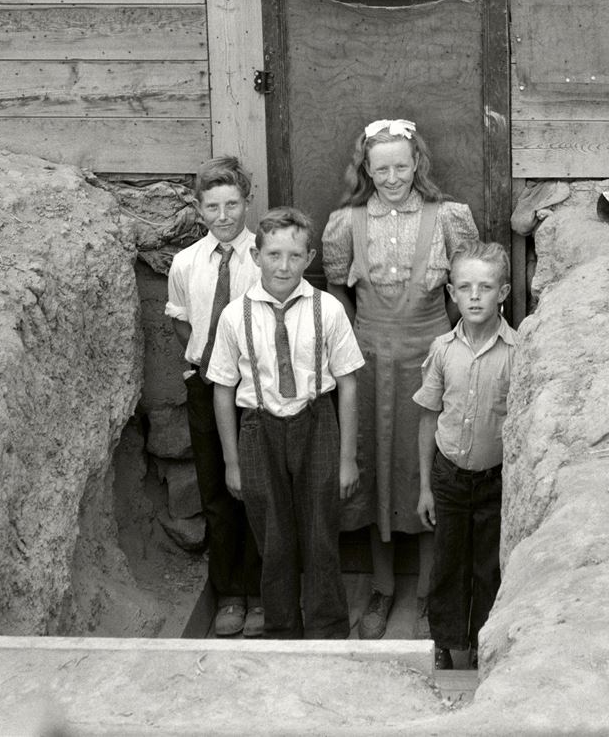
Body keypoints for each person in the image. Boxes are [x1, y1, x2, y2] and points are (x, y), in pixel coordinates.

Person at [322, 118, 481, 639]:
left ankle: (430, 593)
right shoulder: (346, 222)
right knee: (374, 464)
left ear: (418, 165)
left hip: (432, 354)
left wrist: (447, 343)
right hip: (369, 360)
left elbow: (468, 285)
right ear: (365, 168)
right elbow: (336, 291)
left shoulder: (449, 218)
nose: (392, 177)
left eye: (401, 165)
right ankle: (383, 588)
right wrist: (364, 330)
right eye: (380, 167)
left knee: (429, 465)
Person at [207, 207, 364, 642]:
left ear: (310, 256)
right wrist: (231, 463)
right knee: (273, 542)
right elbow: (222, 390)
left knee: (320, 537)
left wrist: (347, 460)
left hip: (316, 424)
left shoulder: (328, 309)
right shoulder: (234, 316)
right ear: (256, 256)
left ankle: (327, 631)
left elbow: (348, 385)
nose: (283, 265)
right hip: (258, 429)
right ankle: (281, 631)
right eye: (273, 254)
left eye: (295, 255)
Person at [163, 156, 262, 637]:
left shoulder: (265, 257)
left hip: (257, 391)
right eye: (213, 207)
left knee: (261, 491)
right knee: (220, 493)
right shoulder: (186, 263)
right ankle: (229, 594)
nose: (224, 215)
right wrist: (203, 358)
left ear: (247, 203)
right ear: (199, 210)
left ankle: (265, 592)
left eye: (232, 204)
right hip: (206, 386)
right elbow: (182, 318)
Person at [415, 241, 517, 670]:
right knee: (448, 562)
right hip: (449, 476)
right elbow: (427, 418)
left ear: (504, 293)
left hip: (496, 479)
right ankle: (445, 641)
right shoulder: (443, 350)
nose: (475, 296)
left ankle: (480, 643)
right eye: (465, 287)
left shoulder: (517, 353)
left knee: (487, 566)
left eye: (486, 287)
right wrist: (425, 487)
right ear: (451, 293)